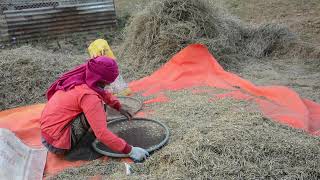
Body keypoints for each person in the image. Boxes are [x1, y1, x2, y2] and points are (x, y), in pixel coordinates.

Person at [40, 56, 149, 162]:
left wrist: (117, 106)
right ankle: (80, 147)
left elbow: (100, 91)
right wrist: (130, 150)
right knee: (99, 110)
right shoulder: (89, 97)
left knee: (97, 110)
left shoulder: (83, 77)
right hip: (56, 143)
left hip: (48, 133)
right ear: (106, 80)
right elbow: (101, 134)